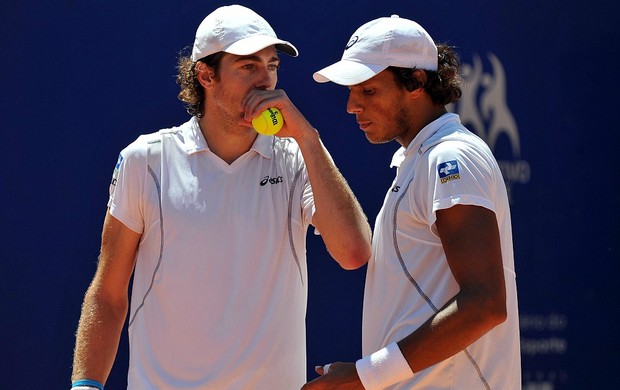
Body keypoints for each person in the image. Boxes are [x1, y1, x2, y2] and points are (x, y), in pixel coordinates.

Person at [70, 5, 372, 390]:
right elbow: (108, 294)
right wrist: (86, 385)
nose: (267, 80)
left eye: (272, 64)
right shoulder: (145, 161)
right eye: (248, 66)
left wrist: (308, 138)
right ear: (205, 75)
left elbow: (353, 253)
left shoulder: (298, 157)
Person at [305, 15, 521, 389]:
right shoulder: (420, 160)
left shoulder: (449, 158)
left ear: (416, 82)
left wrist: (363, 375)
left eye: (368, 91)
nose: (352, 106)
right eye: (351, 91)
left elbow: (485, 304)